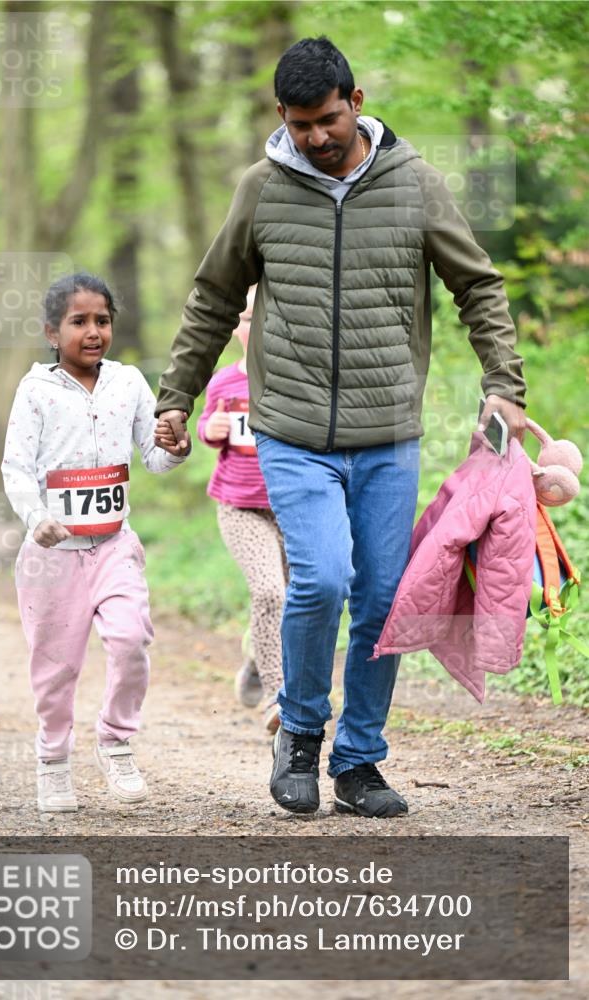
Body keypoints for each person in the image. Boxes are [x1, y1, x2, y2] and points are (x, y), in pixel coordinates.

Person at [154, 37, 527, 819]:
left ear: (355, 104)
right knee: (319, 580)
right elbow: (212, 297)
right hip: (290, 429)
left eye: (326, 120)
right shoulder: (260, 190)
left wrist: (503, 385)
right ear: (279, 118)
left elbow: (478, 288)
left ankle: (358, 761)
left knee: (386, 598)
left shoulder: (416, 185)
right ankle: (297, 733)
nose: (316, 138)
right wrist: (176, 398)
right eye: (299, 126)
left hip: (386, 432)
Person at [2, 272, 189, 813]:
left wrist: (175, 446)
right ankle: (54, 759)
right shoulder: (35, 391)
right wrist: (36, 516)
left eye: (102, 321)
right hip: (51, 559)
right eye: (78, 321)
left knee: (131, 640)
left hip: (113, 546)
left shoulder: (128, 383)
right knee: (55, 668)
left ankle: (115, 740)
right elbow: (15, 467)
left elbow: (155, 458)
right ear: (51, 332)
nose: (92, 331)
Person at [196, 286, 287, 734]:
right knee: (270, 592)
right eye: (249, 318)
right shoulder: (224, 382)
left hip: (293, 507)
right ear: (236, 327)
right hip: (240, 507)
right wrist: (208, 428)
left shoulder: (296, 379)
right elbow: (206, 425)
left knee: (296, 600)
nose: (258, 327)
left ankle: (255, 657)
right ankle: (276, 692)